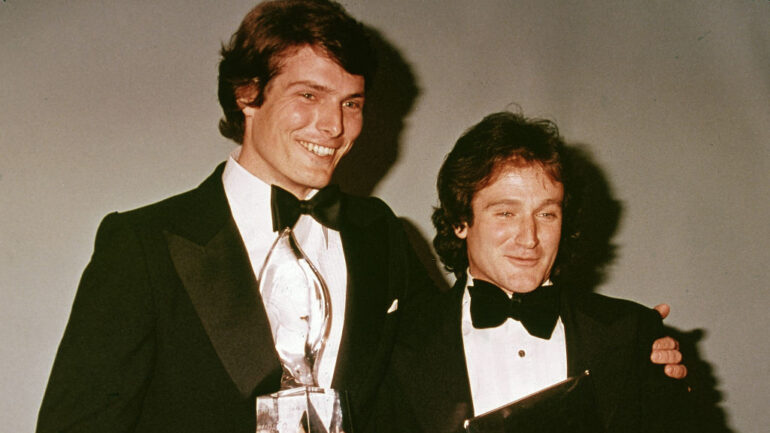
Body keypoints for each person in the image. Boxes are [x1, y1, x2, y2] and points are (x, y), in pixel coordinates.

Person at [36, 1, 684, 432]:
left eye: (352, 102)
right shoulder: (146, 243)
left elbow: (461, 348)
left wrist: (625, 344)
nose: (334, 125)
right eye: (308, 95)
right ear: (247, 95)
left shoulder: (379, 234)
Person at [377, 111, 691, 432]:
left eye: (546, 214)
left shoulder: (631, 335)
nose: (529, 238)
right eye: (505, 213)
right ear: (460, 221)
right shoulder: (396, 348)